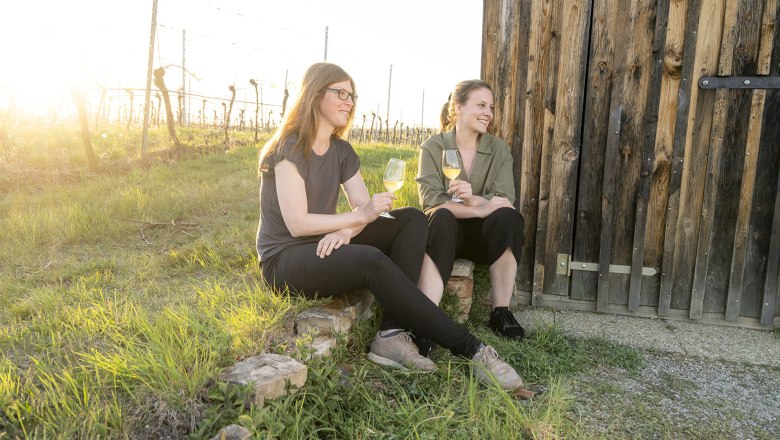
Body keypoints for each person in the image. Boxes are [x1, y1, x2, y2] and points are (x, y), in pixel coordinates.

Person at [256, 63, 522, 390]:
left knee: (410, 217)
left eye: (351, 95)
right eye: (340, 93)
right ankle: (472, 349)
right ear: (314, 94)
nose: (349, 102)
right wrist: (354, 220)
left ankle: (391, 334)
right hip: (286, 259)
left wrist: (345, 230)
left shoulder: (341, 149)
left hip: (324, 241)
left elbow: (364, 210)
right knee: (370, 258)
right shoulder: (289, 148)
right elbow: (298, 224)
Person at [415, 80, 526, 351]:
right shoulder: (433, 147)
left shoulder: (498, 148)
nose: (488, 112)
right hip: (445, 234)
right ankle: (426, 317)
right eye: (481, 105)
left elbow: (504, 200)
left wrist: (475, 199)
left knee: (510, 219)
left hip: (482, 237)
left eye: (491, 107)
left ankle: (501, 312)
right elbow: (431, 202)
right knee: (441, 217)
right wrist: (479, 207)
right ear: (458, 108)